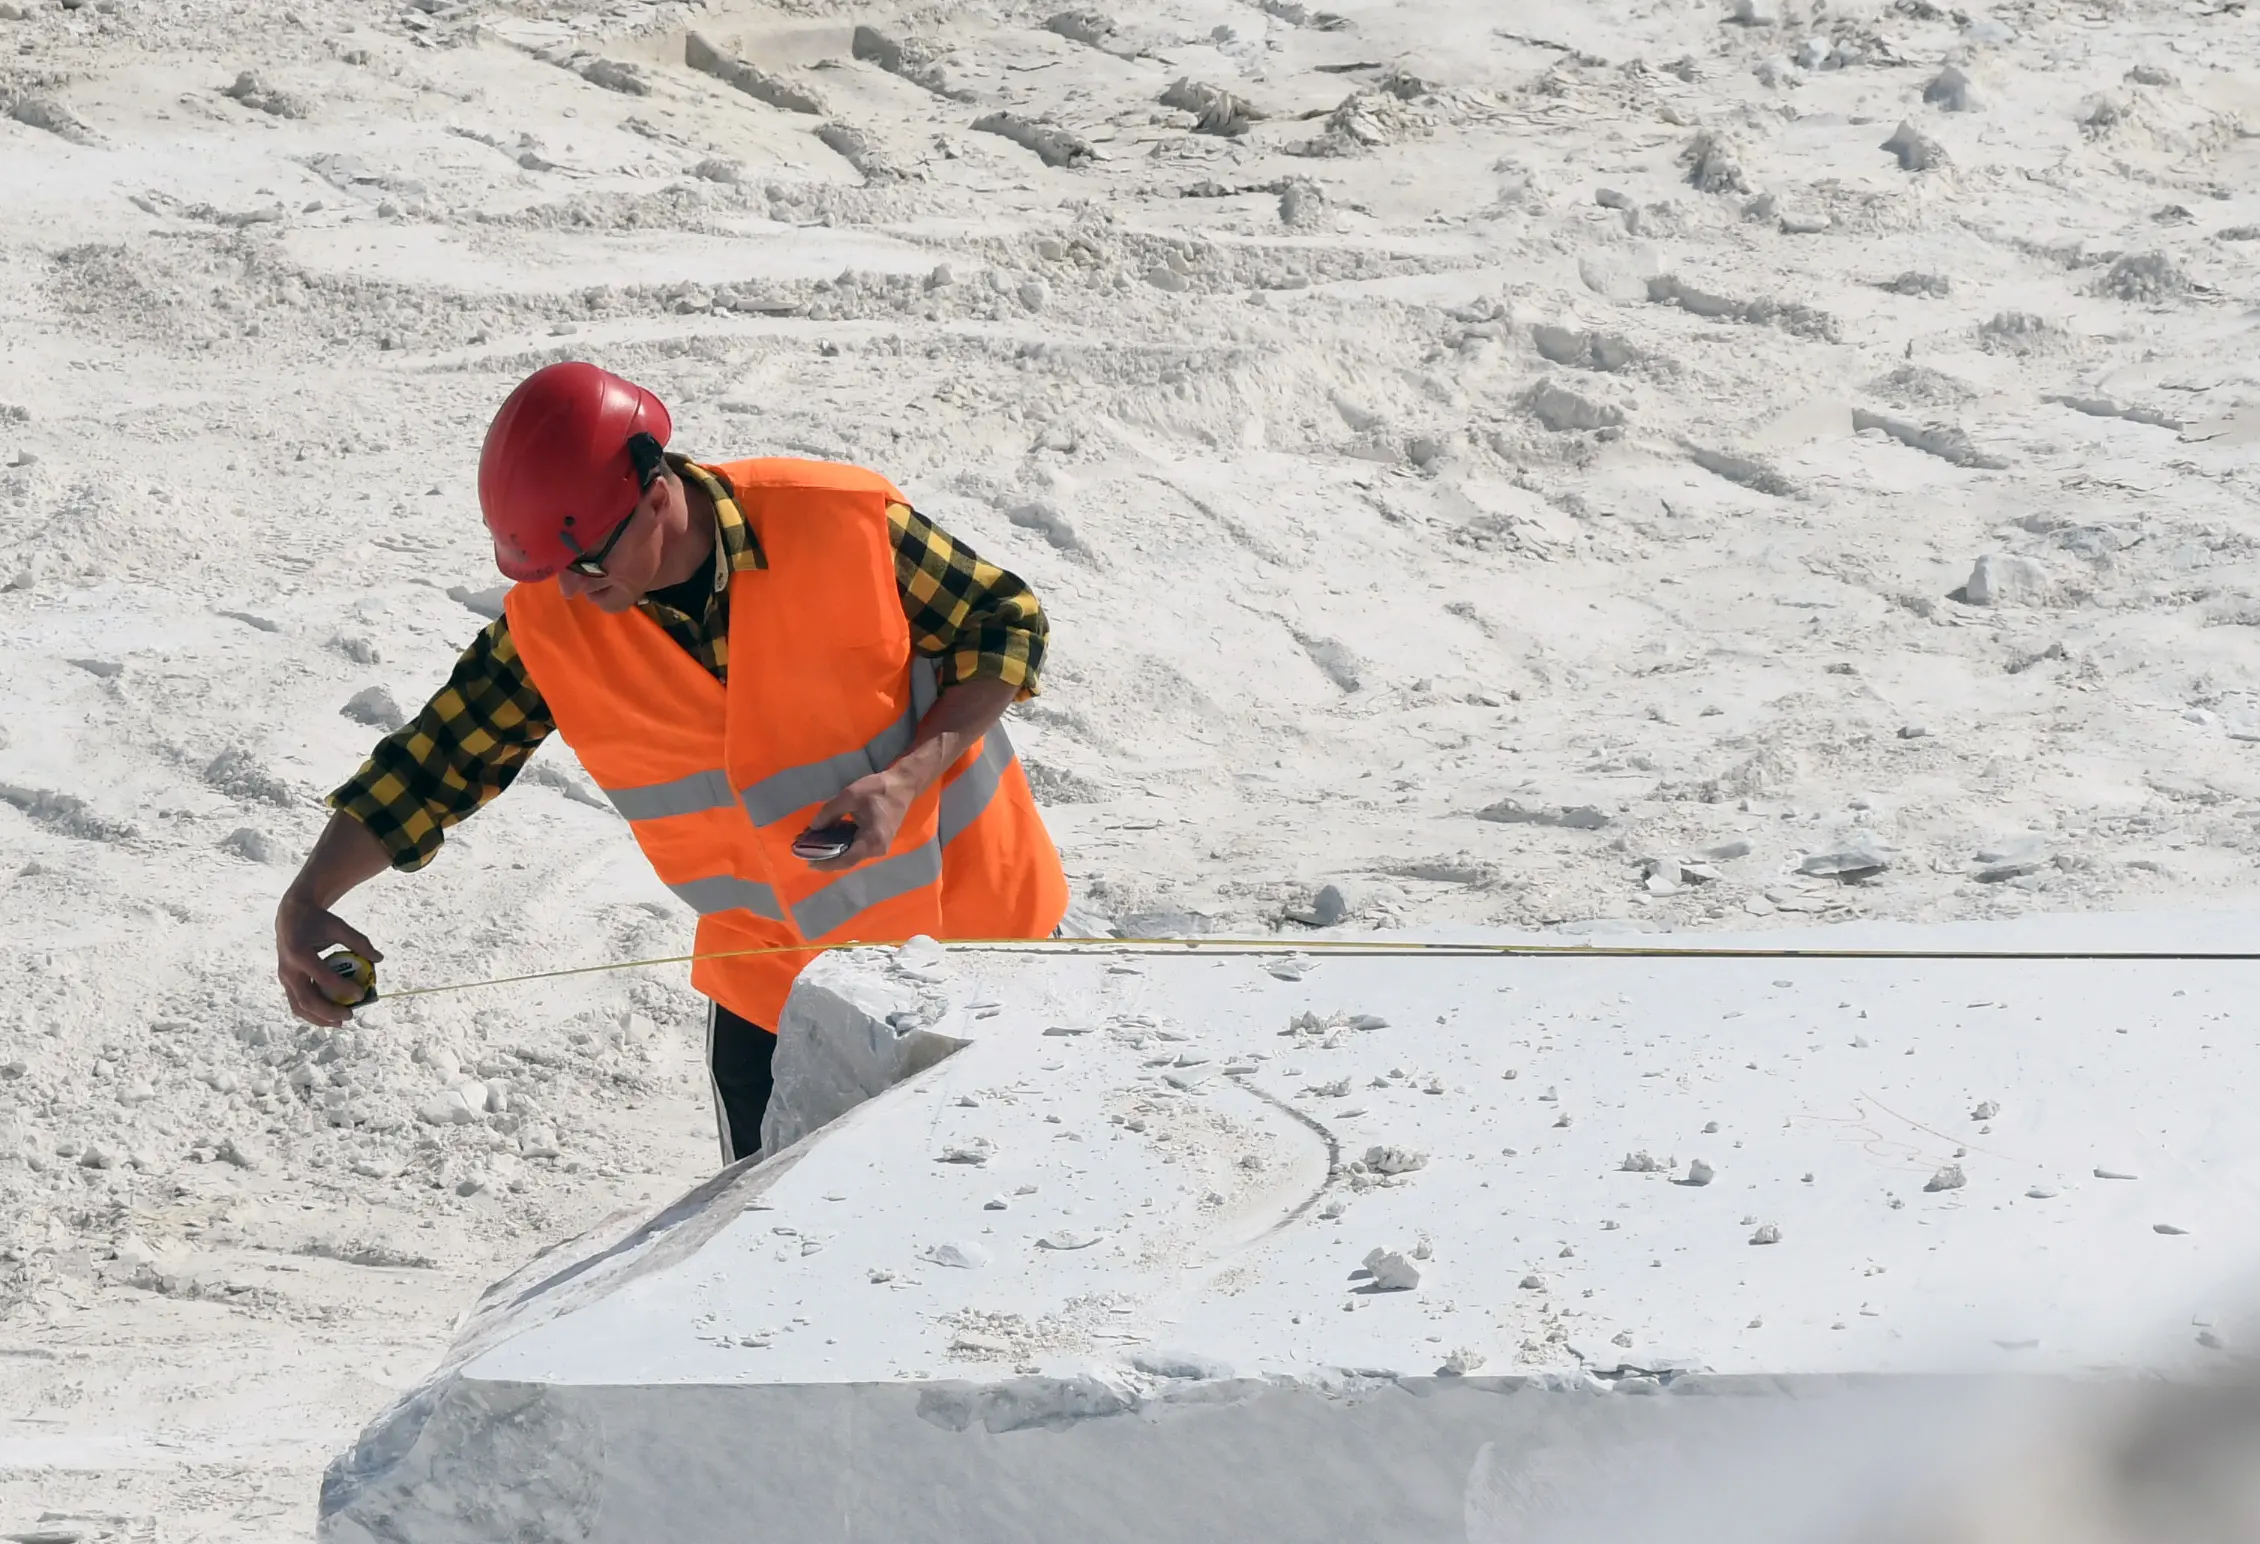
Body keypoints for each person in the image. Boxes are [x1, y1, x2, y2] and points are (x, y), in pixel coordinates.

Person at [273, 362, 1069, 1165]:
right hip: (775, 993)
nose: (574, 591)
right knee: (777, 1256)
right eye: (552, 571)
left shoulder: (836, 524)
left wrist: (905, 779)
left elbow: (1007, 620)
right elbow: (434, 762)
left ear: (657, 496)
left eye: (586, 562)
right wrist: (307, 900)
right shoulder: (554, 626)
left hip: (983, 954)